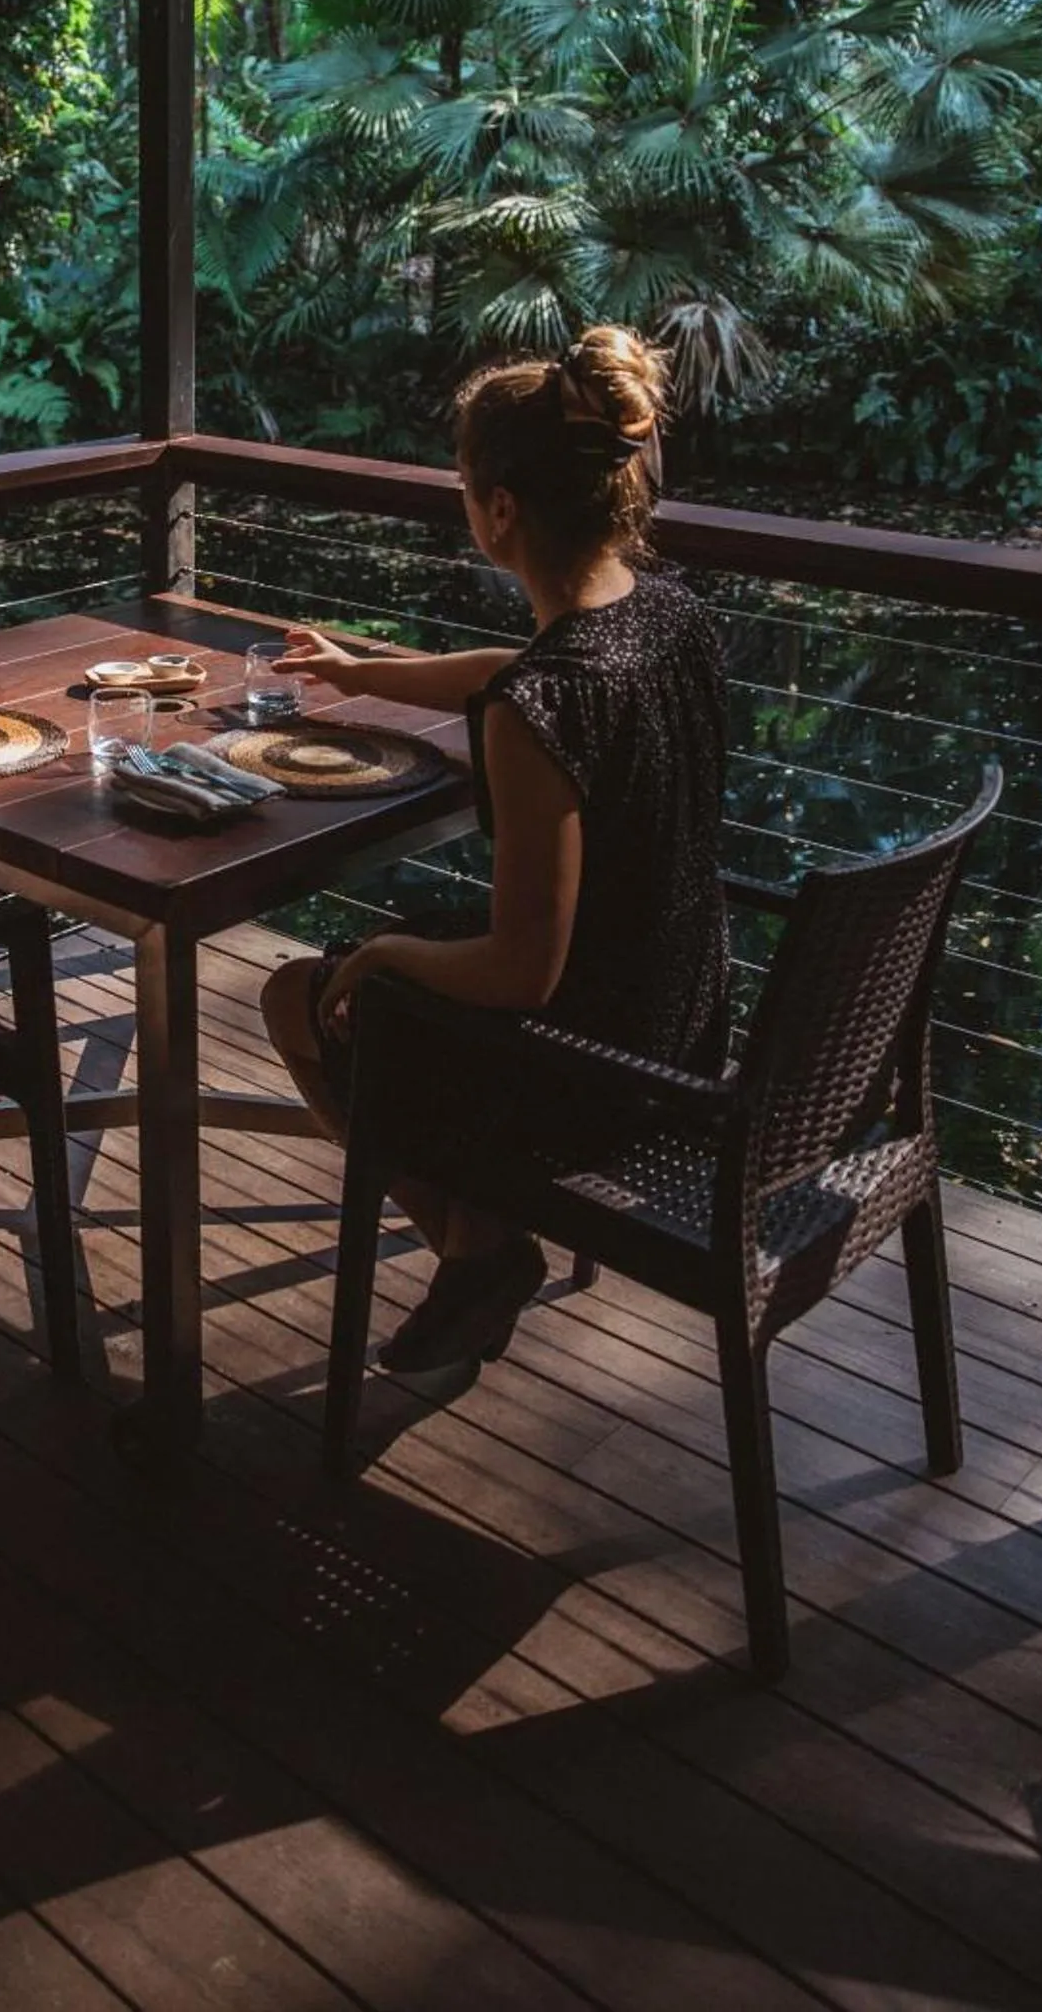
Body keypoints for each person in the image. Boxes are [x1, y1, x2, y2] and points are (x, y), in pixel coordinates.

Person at [258, 325, 730, 1376]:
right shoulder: (669, 621)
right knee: (396, 956)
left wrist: (379, 960)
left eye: (464, 485)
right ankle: (479, 1249)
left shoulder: (543, 709)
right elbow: (517, 667)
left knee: (302, 993)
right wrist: (363, 672)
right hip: (683, 1025)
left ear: (501, 509)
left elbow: (524, 970)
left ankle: (483, 1246)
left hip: (587, 1076)